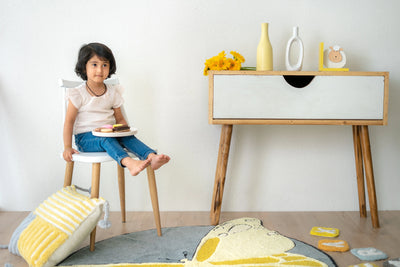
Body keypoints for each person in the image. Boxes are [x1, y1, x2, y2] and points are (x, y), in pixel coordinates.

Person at [63, 43, 170, 176]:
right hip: (86, 138)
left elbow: (119, 119)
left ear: (110, 67)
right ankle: (129, 163)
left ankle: (151, 157)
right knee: (106, 140)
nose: (100, 70)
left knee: (128, 137)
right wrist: (67, 147)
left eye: (104, 65)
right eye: (94, 64)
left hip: (109, 134)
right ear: (84, 67)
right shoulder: (78, 93)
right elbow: (69, 121)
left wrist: (124, 131)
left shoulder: (113, 92)